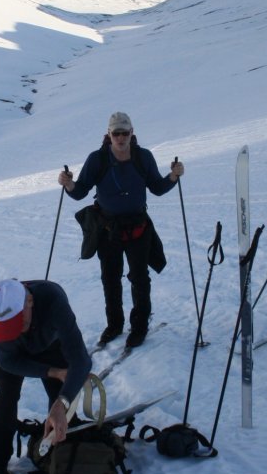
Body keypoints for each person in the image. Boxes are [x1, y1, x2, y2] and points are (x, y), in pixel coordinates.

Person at [57, 112, 184, 348]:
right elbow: (80, 191)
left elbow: (156, 187)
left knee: (139, 278)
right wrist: (69, 184)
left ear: (132, 133)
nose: (121, 137)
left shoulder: (143, 157)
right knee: (110, 279)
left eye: (125, 133)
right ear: (109, 135)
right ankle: (114, 325)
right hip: (108, 229)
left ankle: (139, 327)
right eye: (116, 133)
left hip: (138, 227)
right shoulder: (97, 159)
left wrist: (173, 177)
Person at [0, 278, 92, 474]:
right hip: (9, 354)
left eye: (20, 323)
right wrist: (50, 371)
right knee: (5, 396)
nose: (18, 331)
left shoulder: (53, 300)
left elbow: (81, 360)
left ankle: (61, 442)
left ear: (29, 301)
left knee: (64, 394)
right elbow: (8, 361)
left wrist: (62, 401)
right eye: (8, 327)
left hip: (49, 345)